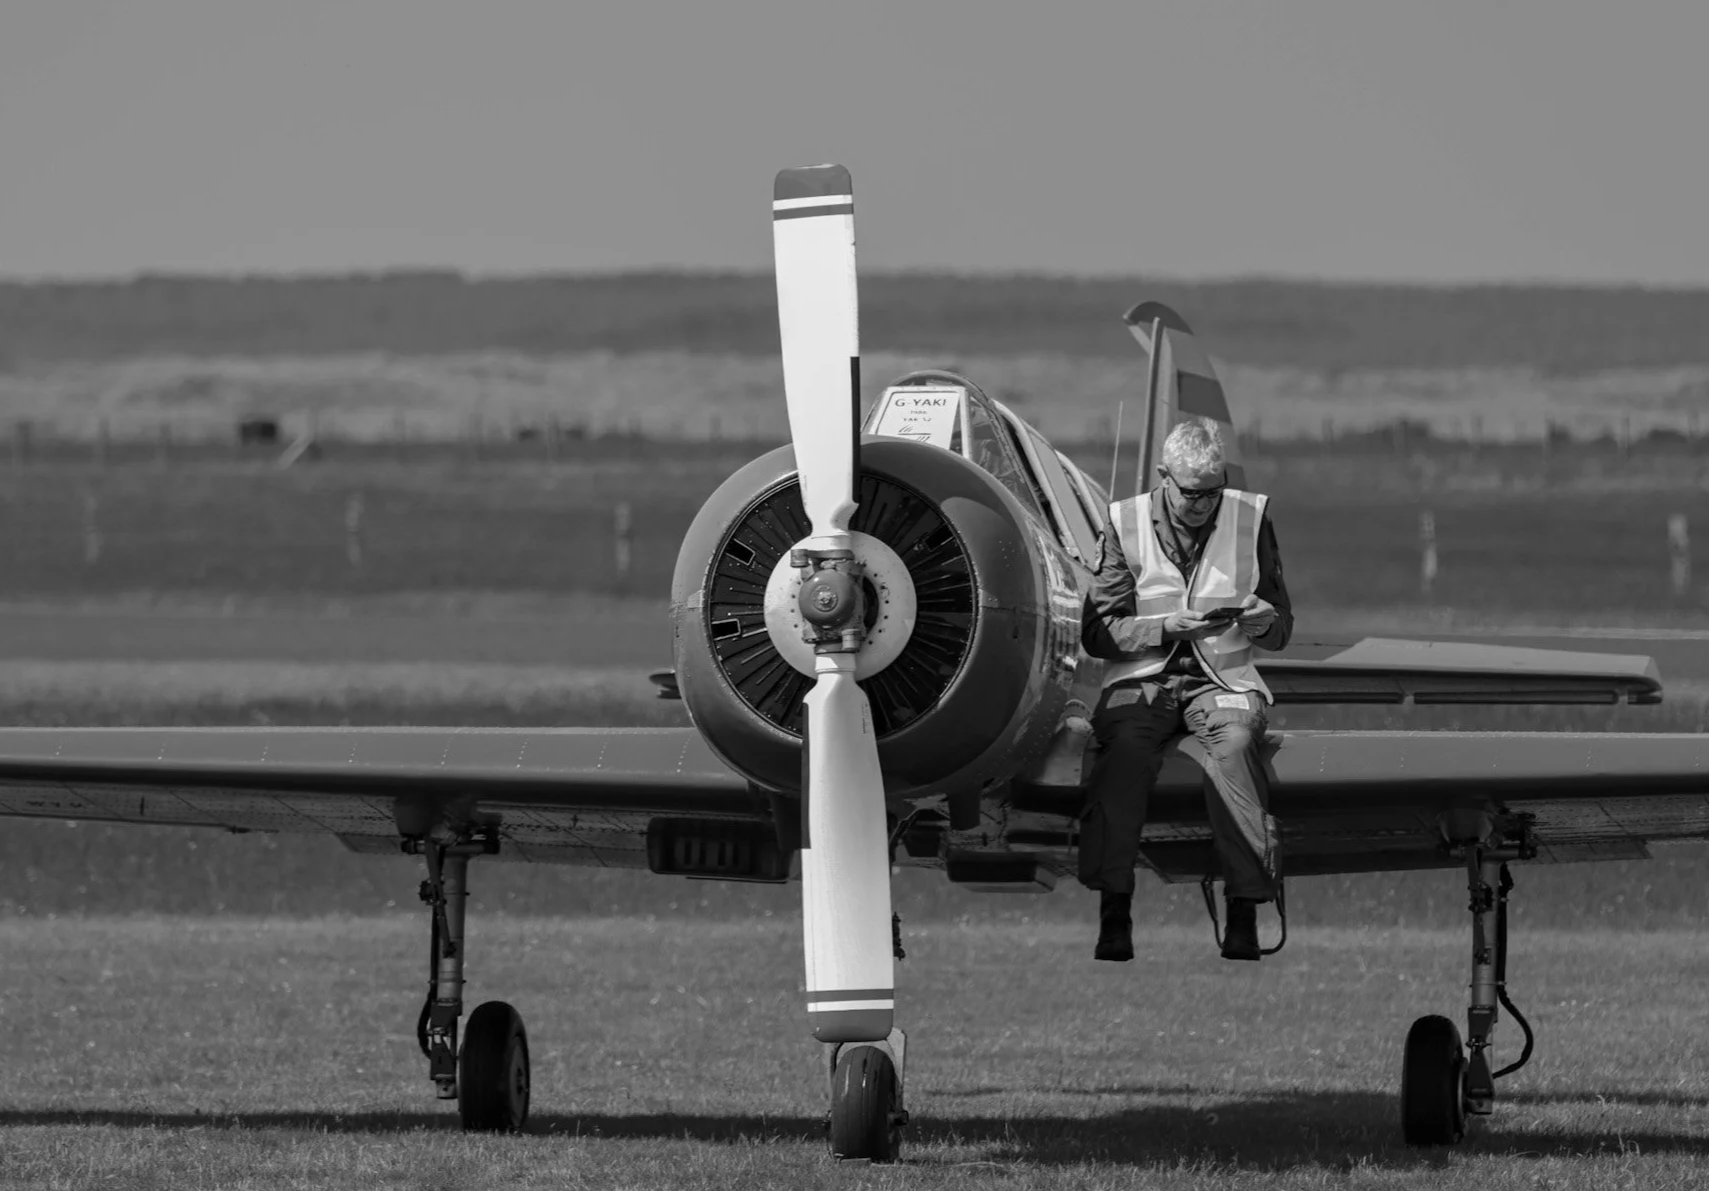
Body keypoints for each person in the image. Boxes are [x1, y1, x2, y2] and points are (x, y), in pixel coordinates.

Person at [1079, 418, 1293, 962]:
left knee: (1238, 746)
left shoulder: (1252, 518)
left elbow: (1282, 629)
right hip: (1143, 679)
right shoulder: (1123, 523)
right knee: (1123, 752)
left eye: (1212, 492)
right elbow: (1099, 632)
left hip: (1224, 679)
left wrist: (1262, 621)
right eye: (1191, 493)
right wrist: (1163, 629)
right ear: (1163, 478)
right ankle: (1115, 912)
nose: (1202, 505)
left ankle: (1244, 910)